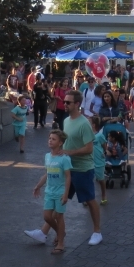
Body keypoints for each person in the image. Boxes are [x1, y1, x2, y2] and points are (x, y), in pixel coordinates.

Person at [59, 90, 103, 245]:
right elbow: (65, 142)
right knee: (59, 199)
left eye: (68, 102)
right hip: (68, 168)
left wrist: (70, 152)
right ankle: (46, 231)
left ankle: (97, 231)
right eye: (64, 102)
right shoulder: (66, 121)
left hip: (83, 169)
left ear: (77, 104)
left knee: (90, 200)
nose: (64, 104)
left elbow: (89, 148)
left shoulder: (84, 123)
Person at [30, 130, 72, 254]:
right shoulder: (47, 156)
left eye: (53, 139)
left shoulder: (64, 159)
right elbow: (47, 174)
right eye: (49, 138)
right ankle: (61, 233)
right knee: (47, 216)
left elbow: (68, 177)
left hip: (60, 192)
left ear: (60, 143)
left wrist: (65, 194)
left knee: (59, 217)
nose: (50, 140)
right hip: (49, 191)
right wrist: (38, 186)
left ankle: (60, 243)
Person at [91, 116, 108, 206]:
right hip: (89, 162)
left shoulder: (99, 136)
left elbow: (104, 146)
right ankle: (89, 199)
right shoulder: (87, 136)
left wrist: (104, 153)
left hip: (99, 161)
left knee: (101, 180)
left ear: (93, 125)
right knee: (89, 181)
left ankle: (104, 195)